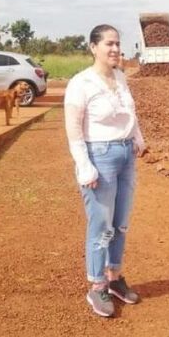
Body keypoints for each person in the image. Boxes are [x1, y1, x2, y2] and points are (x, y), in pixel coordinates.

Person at [64, 24, 146, 317]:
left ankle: (114, 278)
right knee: (101, 225)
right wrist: (84, 167)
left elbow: (130, 112)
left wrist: (137, 136)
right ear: (93, 47)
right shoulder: (81, 83)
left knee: (120, 223)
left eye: (117, 44)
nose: (115, 49)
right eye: (108, 44)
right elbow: (74, 130)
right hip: (99, 157)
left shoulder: (121, 77)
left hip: (125, 156)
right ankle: (97, 285)